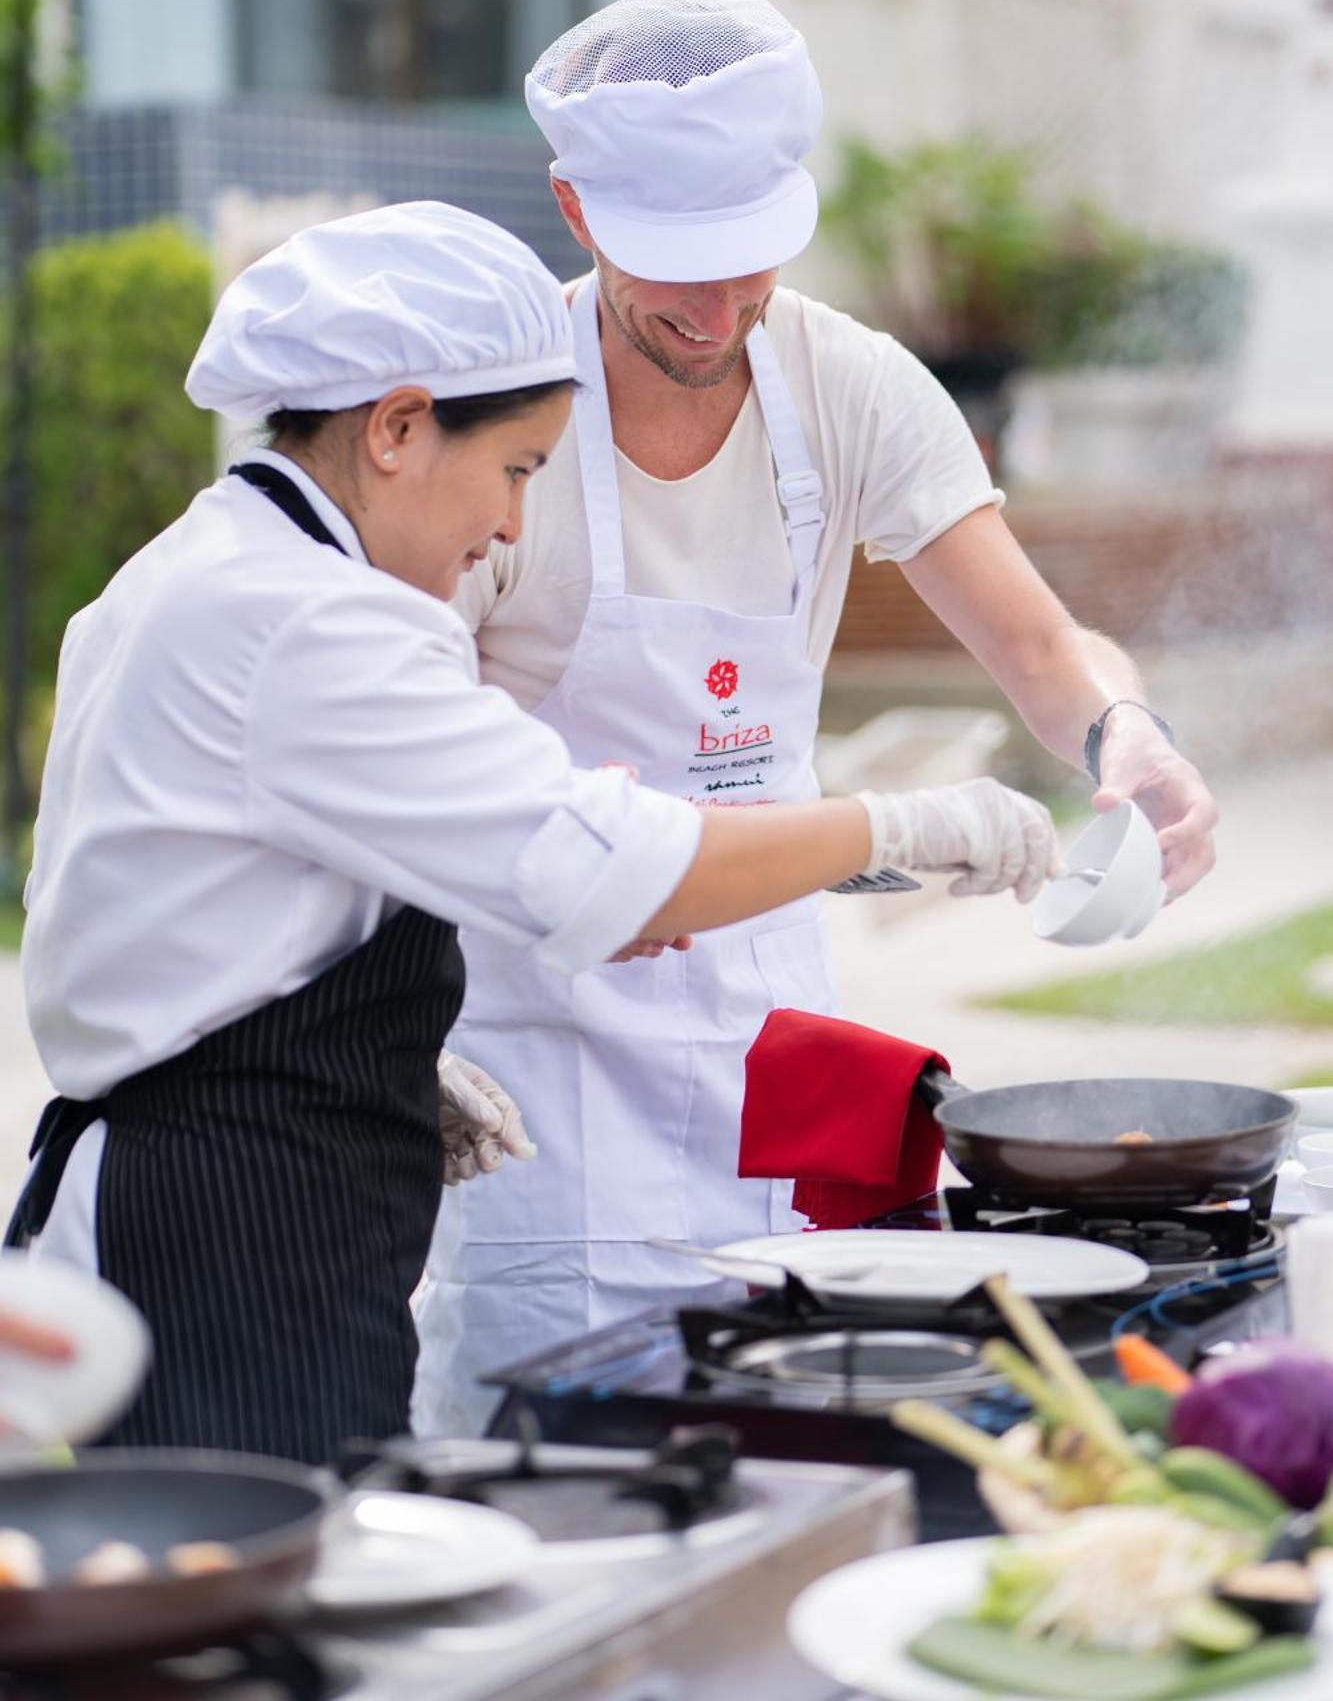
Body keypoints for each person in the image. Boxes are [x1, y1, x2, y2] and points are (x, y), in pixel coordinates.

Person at [8, 199, 1058, 1464]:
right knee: (270, 1613)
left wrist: (371, 1057)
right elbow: (630, 870)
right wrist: (905, 820)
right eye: (513, 470)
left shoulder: (195, 566)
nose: (510, 525)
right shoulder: (322, 621)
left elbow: (191, 903)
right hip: (228, 1229)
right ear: (397, 427)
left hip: (212, 1183)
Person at [413, 0, 1220, 1433]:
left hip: (764, 1027)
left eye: (747, 268)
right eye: (674, 278)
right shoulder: (502, 417)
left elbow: (1038, 640)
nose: (717, 318)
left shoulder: (842, 380)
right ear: (574, 208)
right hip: (538, 1037)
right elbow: (416, 741)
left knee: (791, 1417)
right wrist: (584, 852)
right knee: (548, 1449)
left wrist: (1120, 735)